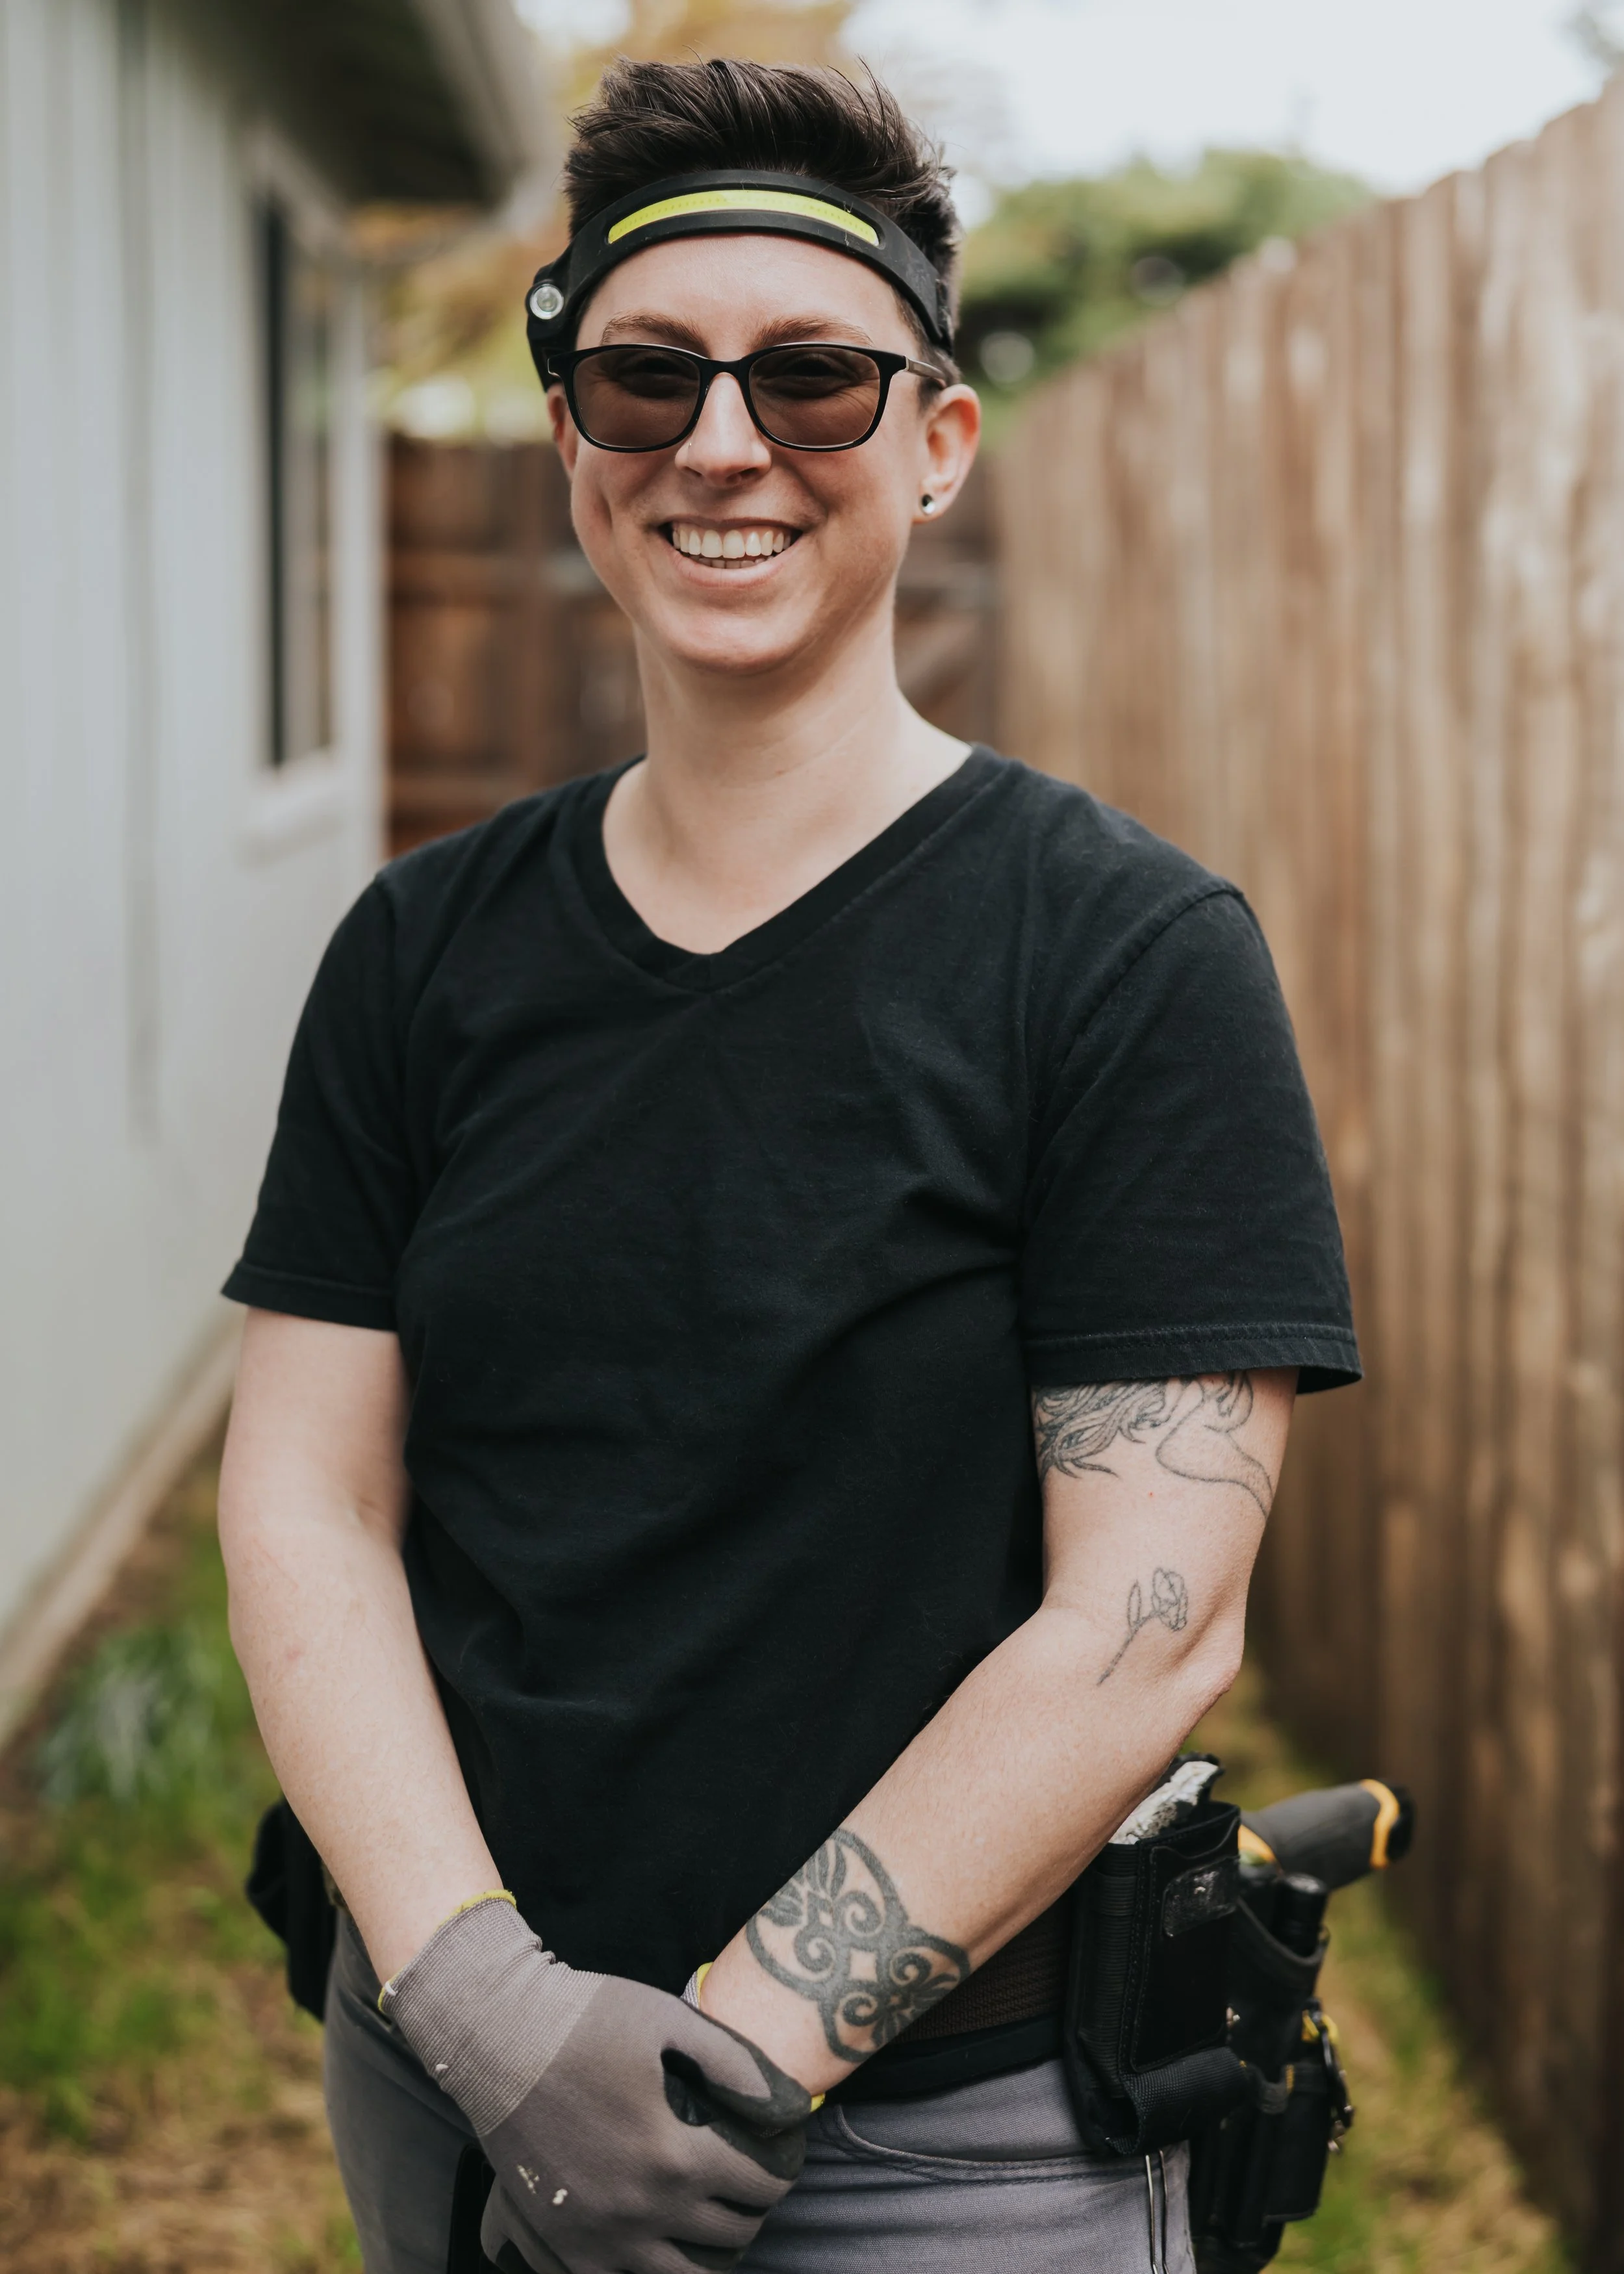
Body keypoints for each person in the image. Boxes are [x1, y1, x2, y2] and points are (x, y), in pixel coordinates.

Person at [218, 57, 1360, 2274]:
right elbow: (305, 1492)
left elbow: (1146, 1619)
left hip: (950, 2150)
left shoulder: (1124, 957)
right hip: (446, 2073)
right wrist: (486, 2010)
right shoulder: (418, 953)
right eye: (645, 381)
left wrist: (701, 2068)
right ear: (573, 447)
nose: (721, 444)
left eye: (812, 380)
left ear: (933, 445)